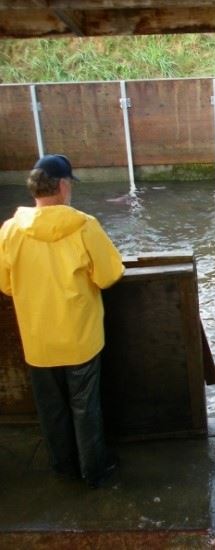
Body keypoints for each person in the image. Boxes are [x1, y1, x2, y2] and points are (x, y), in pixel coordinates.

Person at [0, 154, 125, 488]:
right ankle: (94, 471)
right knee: (86, 409)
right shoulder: (84, 226)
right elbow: (110, 275)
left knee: (51, 409)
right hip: (80, 340)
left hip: (38, 342)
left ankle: (63, 467)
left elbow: (6, 285)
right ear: (64, 185)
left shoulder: (11, 230)